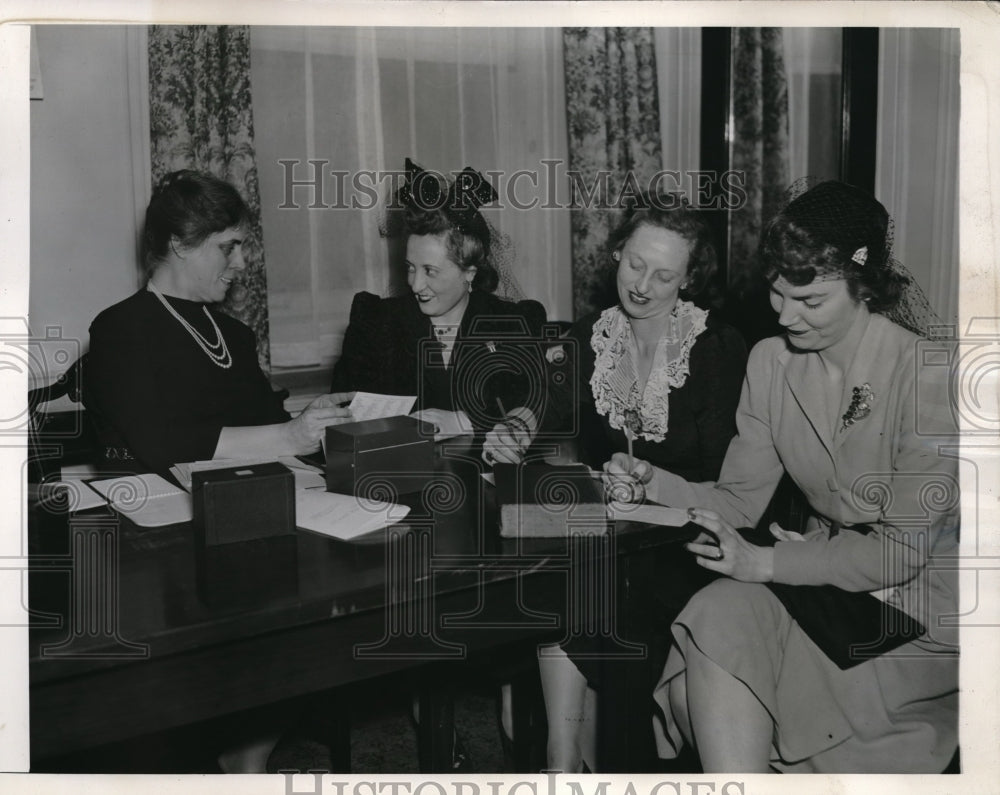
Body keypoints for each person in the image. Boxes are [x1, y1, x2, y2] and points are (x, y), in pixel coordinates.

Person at [605, 180, 958, 773]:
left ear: (864, 288)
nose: (785, 315)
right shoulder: (771, 363)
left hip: (918, 608)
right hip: (823, 583)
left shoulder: (928, 375)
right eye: (776, 293)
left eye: (811, 301)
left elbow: (901, 554)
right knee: (716, 613)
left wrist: (766, 564)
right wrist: (653, 483)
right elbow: (741, 502)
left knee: (711, 679)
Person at [491, 195, 748, 772]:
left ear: (688, 281)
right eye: (634, 264)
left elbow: (728, 481)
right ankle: (562, 763)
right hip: (615, 536)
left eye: (664, 276)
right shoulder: (592, 335)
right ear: (616, 253)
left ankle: (602, 762)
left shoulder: (716, 350)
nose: (642, 285)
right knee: (558, 579)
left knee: (607, 597)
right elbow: (547, 399)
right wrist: (520, 423)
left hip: (689, 541)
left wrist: (655, 481)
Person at [84, 170, 353, 477]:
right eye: (228, 247)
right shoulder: (119, 330)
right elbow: (158, 444)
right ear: (180, 244)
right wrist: (288, 436)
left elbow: (270, 427)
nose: (240, 263)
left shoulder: (235, 335)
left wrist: (310, 421)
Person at [331, 158, 546, 449]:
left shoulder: (514, 323)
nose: (415, 284)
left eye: (430, 271)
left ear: (469, 272)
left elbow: (539, 408)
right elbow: (346, 424)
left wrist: (464, 420)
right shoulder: (375, 324)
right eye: (410, 267)